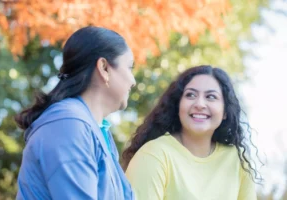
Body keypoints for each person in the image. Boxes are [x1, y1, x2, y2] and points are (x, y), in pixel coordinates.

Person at [15, 26, 136, 200]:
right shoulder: (67, 125)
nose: (133, 81)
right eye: (129, 68)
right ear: (104, 68)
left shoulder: (96, 131)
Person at [123, 65, 260, 200]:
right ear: (178, 105)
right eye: (191, 95)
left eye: (211, 97)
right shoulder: (154, 154)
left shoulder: (237, 161)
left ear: (225, 112)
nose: (199, 104)